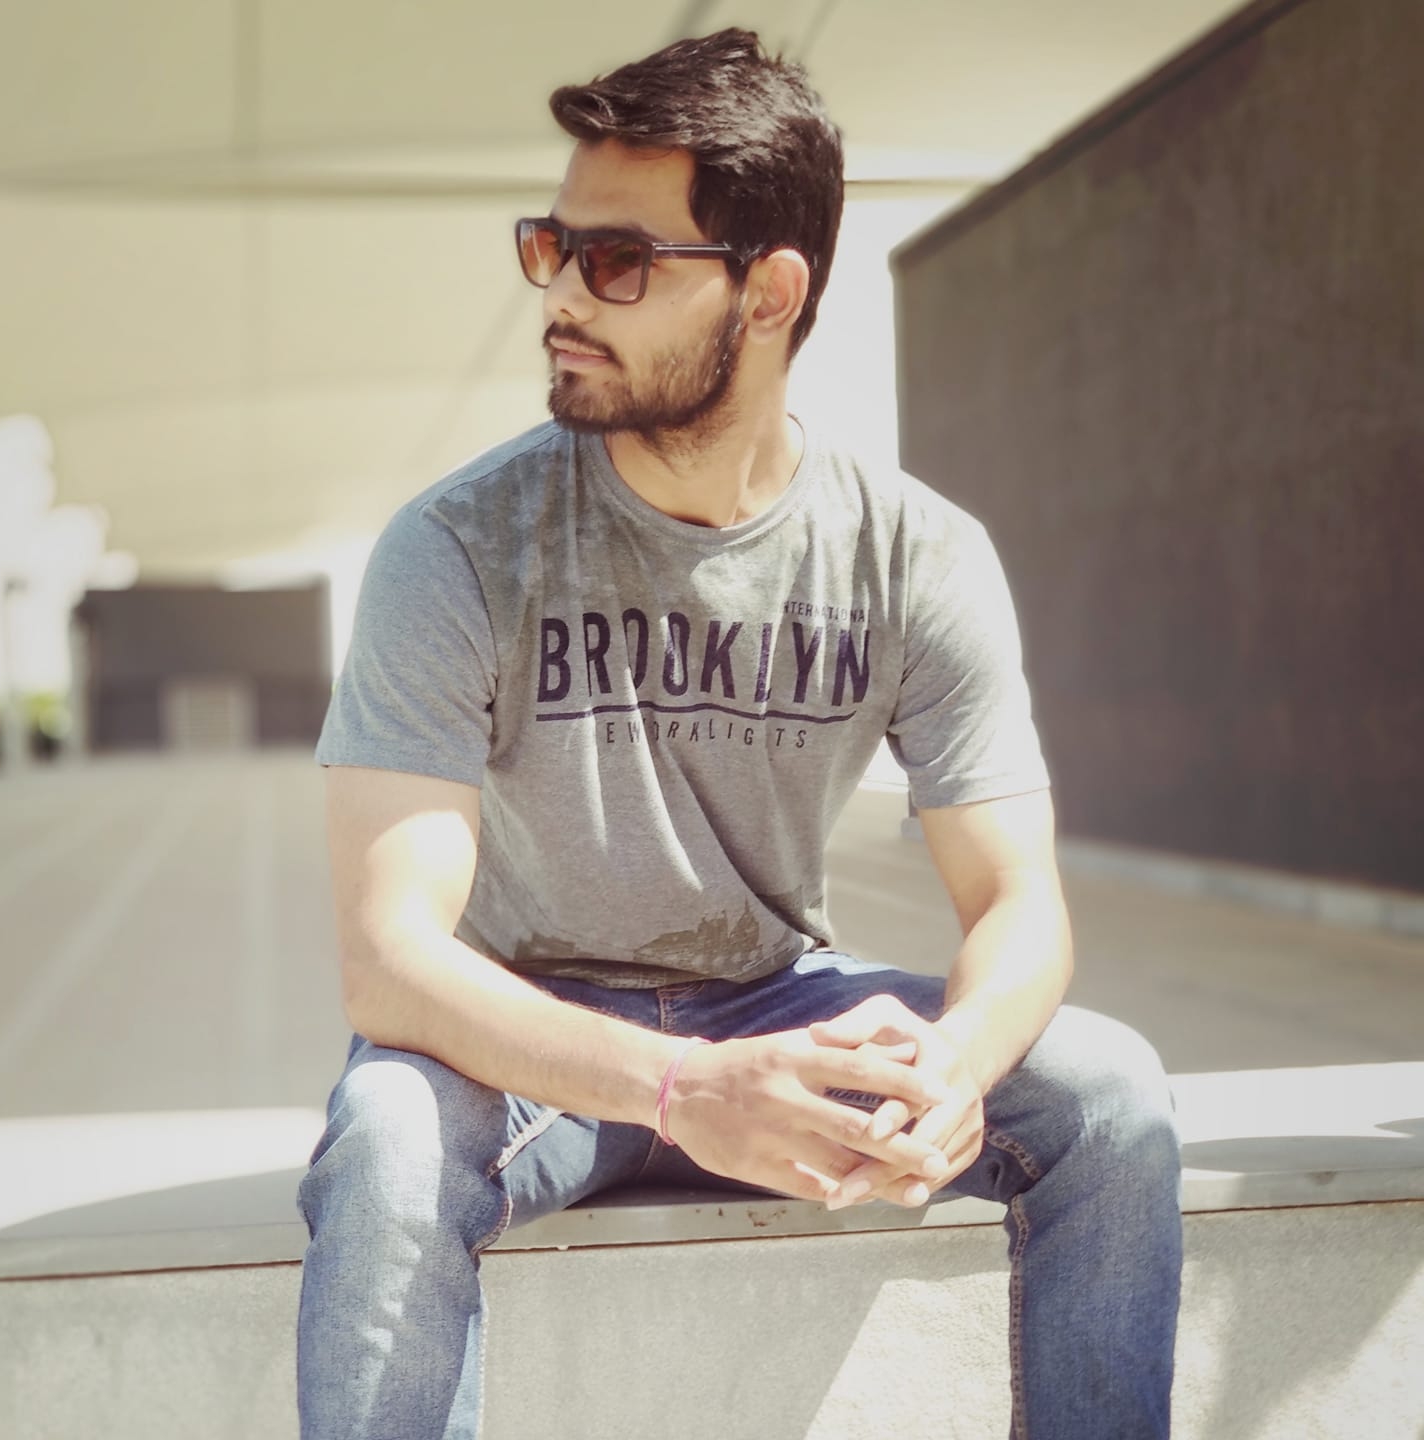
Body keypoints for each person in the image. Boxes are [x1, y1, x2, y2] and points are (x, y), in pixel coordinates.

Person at [296, 28, 1182, 1440]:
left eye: (619, 262)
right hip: (523, 1041)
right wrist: (682, 1088)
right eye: (553, 247)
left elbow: (1018, 901)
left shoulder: (914, 555)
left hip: (777, 1004)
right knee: (391, 1139)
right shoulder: (456, 546)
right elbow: (388, 960)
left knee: (1111, 1095)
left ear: (771, 292)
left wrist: (956, 1067)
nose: (562, 296)